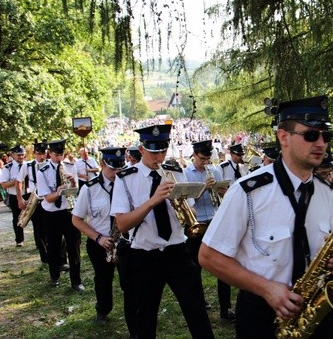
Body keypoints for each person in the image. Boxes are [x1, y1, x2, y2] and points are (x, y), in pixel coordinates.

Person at [199, 95, 333, 338]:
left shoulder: (329, 192)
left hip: (317, 311)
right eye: (311, 135)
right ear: (283, 137)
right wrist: (267, 288)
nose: (321, 143)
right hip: (263, 315)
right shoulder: (248, 191)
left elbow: (330, 243)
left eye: (326, 136)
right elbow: (209, 256)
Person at [110, 124, 214, 339]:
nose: (159, 157)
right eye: (153, 152)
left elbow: (189, 210)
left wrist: (184, 203)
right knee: (145, 318)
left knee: (197, 312)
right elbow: (122, 224)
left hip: (177, 252)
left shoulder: (175, 172)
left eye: (162, 151)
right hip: (145, 255)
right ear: (141, 150)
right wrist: (153, 201)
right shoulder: (125, 178)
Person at [72, 147, 137, 334]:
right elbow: (76, 219)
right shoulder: (89, 189)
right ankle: (103, 309)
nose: (117, 173)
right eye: (112, 169)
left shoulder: (127, 184)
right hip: (100, 243)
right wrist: (98, 238)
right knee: (103, 279)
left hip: (124, 242)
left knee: (129, 282)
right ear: (101, 165)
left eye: (120, 168)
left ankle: (134, 320)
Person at [183, 140, 235, 320]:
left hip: (214, 219)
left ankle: (225, 307)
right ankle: (199, 303)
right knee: (194, 268)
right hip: (196, 223)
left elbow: (223, 197)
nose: (206, 162)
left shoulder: (215, 170)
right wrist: (205, 187)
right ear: (194, 155)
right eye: (202, 158)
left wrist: (221, 191)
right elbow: (186, 203)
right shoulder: (185, 174)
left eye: (208, 159)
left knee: (223, 264)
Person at [36, 139, 84, 291]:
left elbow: (76, 192)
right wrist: (58, 191)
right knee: (53, 246)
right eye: (56, 155)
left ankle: (76, 281)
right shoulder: (42, 171)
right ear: (49, 154)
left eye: (61, 154)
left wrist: (73, 183)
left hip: (69, 211)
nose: (59, 158)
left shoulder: (70, 166)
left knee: (74, 246)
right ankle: (54, 276)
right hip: (51, 214)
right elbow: (48, 198)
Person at [16, 142, 50, 263]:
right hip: (35, 198)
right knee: (38, 228)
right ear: (35, 153)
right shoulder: (28, 165)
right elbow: (18, 181)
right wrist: (20, 198)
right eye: (39, 154)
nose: (42, 156)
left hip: (48, 198)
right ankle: (44, 256)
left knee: (49, 226)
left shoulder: (50, 164)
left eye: (44, 154)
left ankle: (52, 252)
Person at [0, 145, 28, 247]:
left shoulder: (29, 165)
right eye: (18, 155)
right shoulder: (8, 167)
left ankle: (40, 241)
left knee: (36, 218)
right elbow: (3, 184)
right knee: (17, 218)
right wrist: (17, 181)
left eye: (22, 155)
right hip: (14, 195)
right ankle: (19, 239)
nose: (21, 157)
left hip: (28, 194)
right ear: (13, 155)